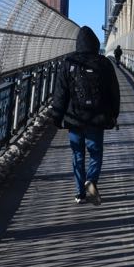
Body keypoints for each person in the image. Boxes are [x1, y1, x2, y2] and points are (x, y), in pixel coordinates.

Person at [49, 26, 120, 205]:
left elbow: (60, 94)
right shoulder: (104, 63)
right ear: (95, 43)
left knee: (77, 154)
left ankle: (80, 192)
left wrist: (56, 117)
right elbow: (114, 92)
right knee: (95, 153)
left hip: (74, 118)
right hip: (97, 118)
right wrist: (113, 115)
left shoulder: (68, 62)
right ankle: (92, 180)